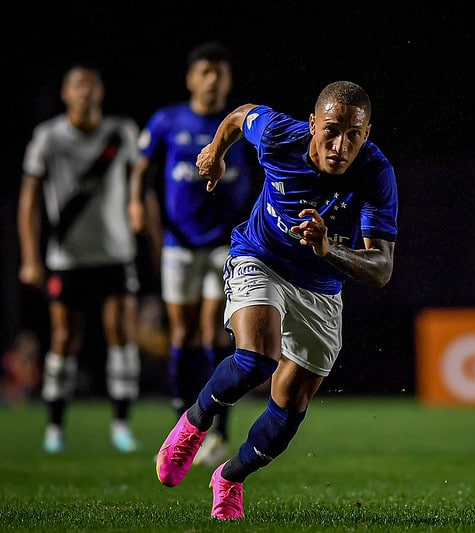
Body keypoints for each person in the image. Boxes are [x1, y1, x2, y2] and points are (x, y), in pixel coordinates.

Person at [154, 80, 397, 520]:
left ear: (367, 134)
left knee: (291, 406)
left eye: (354, 135)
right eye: (331, 130)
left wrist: (329, 250)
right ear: (311, 125)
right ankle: (194, 424)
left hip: (321, 289)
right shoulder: (279, 135)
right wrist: (215, 151)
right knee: (257, 359)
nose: (341, 145)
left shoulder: (376, 173)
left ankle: (228, 478)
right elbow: (239, 115)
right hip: (260, 257)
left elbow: (382, 268)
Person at [128, 42, 258, 467]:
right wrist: (135, 203)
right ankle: (181, 423)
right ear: (190, 79)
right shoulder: (168, 120)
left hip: (225, 242)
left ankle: (217, 430)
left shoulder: (241, 126)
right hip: (179, 243)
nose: (212, 79)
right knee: (181, 335)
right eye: (205, 71)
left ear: (229, 79)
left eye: (219, 72)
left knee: (213, 332)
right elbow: (141, 168)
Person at [17, 65, 142, 453]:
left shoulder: (121, 131)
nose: (84, 92)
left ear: (100, 92)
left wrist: (141, 210)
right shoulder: (49, 137)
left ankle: (121, 424)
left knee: (121, 333)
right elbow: (29, 201)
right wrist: (30, 257)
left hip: (116, 252)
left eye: (91, 85)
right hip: (67, 257)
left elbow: (141, 180)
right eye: (77, 86)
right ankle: (55, 427)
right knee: (63, 338)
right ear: (65, 94)